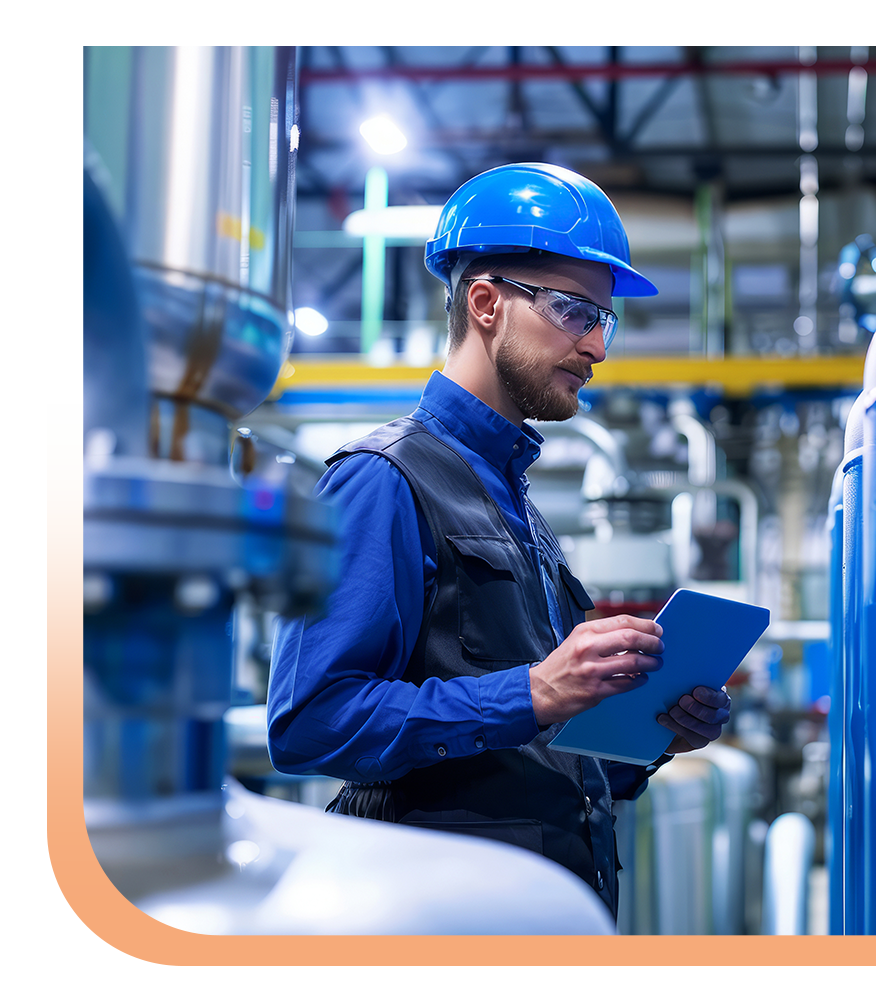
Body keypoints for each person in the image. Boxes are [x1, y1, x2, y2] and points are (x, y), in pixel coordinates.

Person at [267, 162, 731, 918]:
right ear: (486, 303)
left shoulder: (520, 511)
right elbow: (309, 725)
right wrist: (536, 689)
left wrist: (650, 737)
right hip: (432, 925)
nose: (598, 348)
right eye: (575, 311)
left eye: (602, 319)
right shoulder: (383, 480)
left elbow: (529, 757)